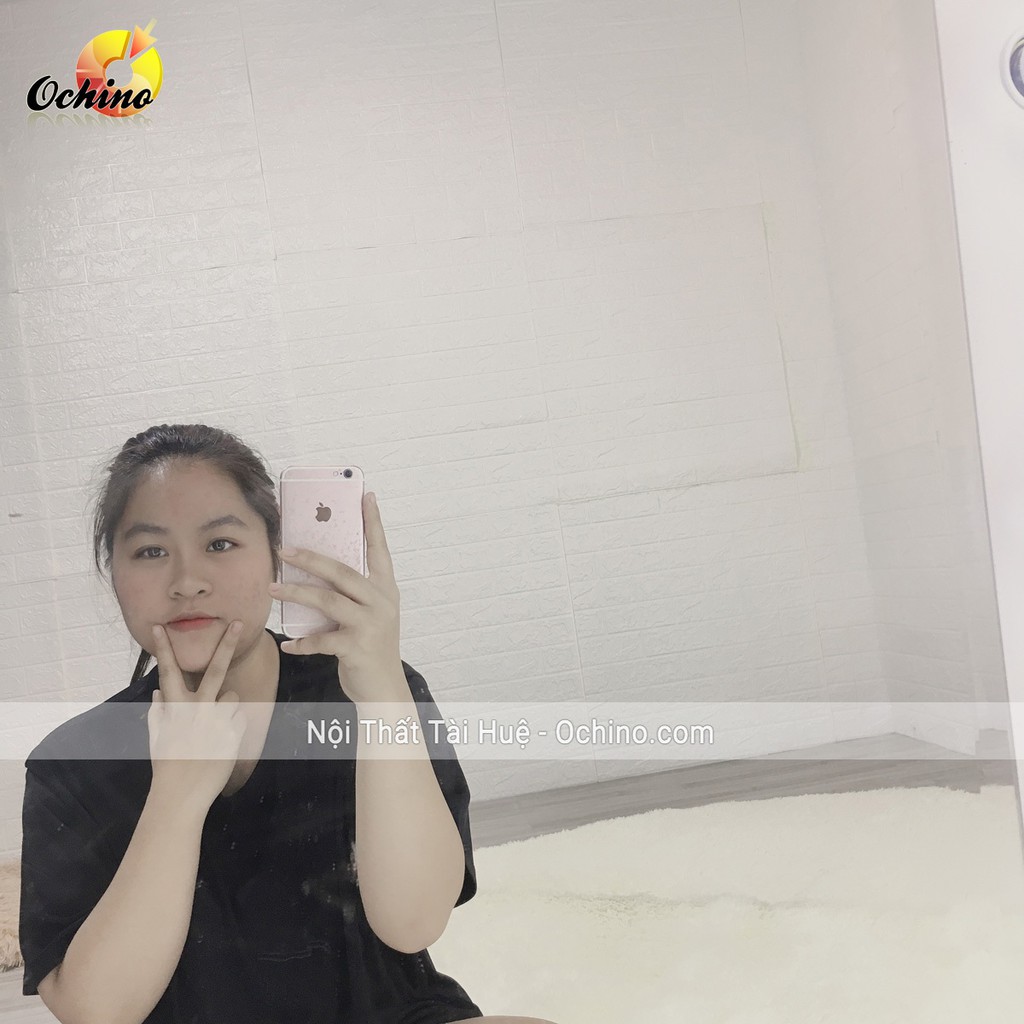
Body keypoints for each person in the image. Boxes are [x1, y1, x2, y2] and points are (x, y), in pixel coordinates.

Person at [18, 423, 557, 1024]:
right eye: (150, 551)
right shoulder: (73, 762)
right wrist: (177, 794)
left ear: (276, 552)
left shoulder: (363, 691)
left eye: (221, 543)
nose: (188, 581)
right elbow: (97, 1011)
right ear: (113, 573)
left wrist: (383, 693)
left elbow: (413, 924)